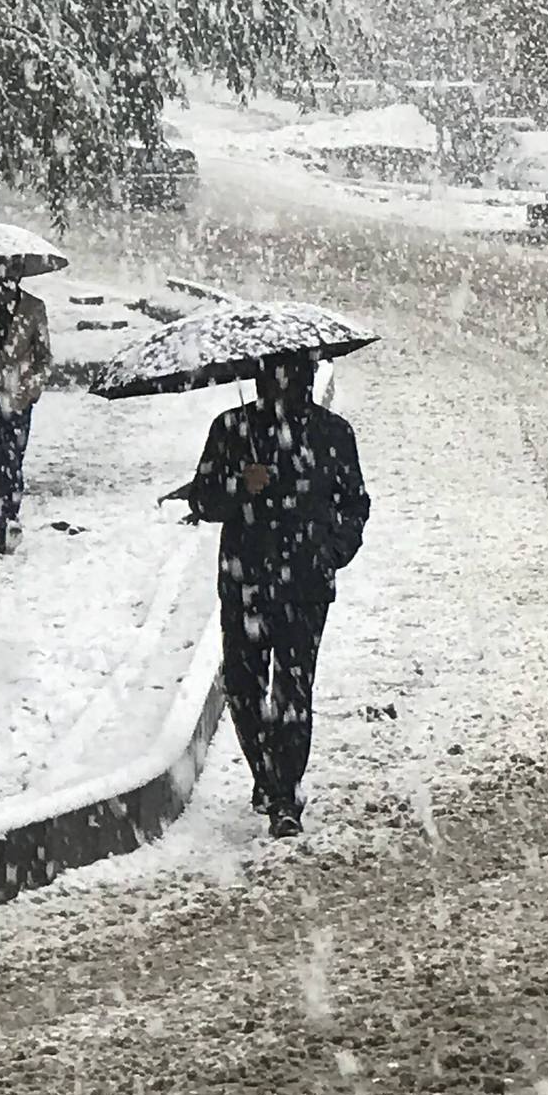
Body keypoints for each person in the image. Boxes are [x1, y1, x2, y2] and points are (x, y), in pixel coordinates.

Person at [187, 354, 370, 838]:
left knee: (292, 691)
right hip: (245, 580)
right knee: (244, 688)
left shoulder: (332, 433)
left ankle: (284, 794)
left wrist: (332, 551)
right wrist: (240, 485)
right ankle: (266, 776)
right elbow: (203, 499)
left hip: (305, 583)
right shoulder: (232, 428)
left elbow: (354, 502)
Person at [0, 279, 51, 553]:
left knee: (12, 458)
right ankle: (0, 516)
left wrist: (30, 388)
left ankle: (9, 518)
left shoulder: (33, 308)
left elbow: (44, 357)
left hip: (17, 399)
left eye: (15, 265)